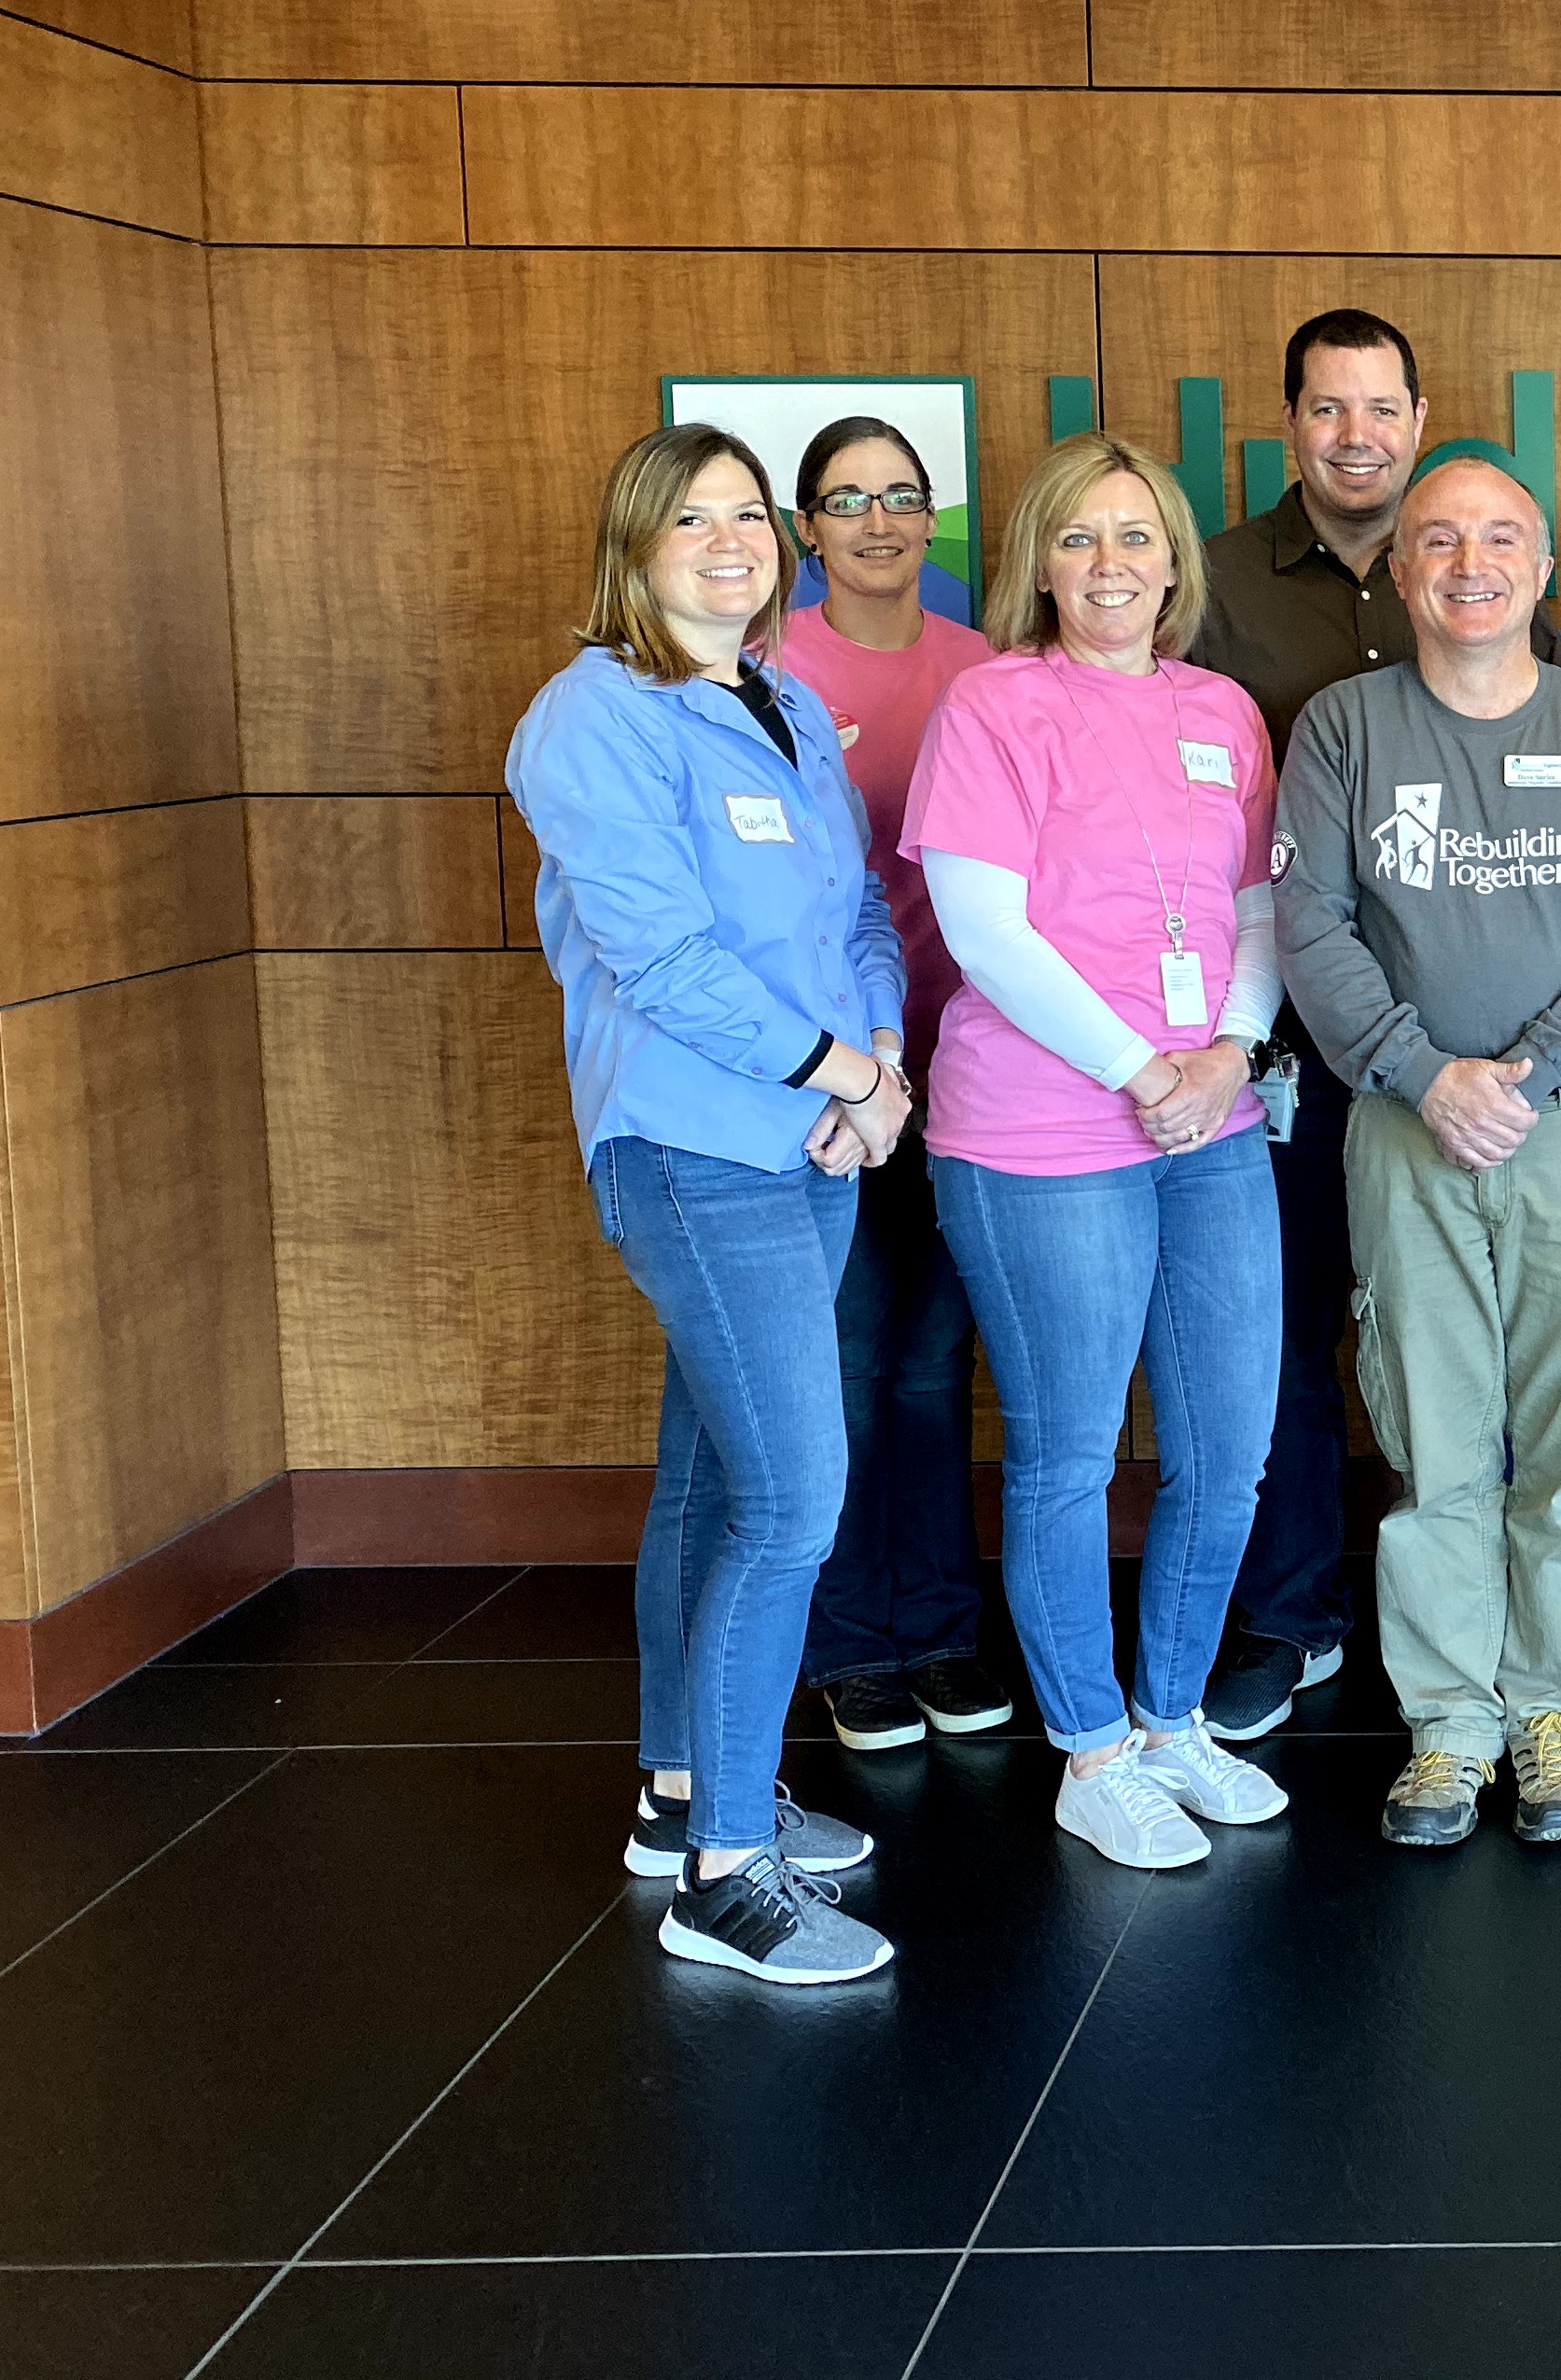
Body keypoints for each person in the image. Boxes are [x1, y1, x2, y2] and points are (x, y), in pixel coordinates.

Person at [507, 424, 905, 1986]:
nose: (732, 540)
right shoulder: (592, 718)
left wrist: (867, 1069)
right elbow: (663, 962)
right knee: (794, 1501)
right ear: (635, 543)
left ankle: (685, 1800)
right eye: (696, 519)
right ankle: (729, 1879)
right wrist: (836, 1073)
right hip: (693, 1144)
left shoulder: (789, 700)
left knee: (706, 1478)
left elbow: (859, 911)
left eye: (750, 515)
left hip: (809, 1136)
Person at [1276, 461, 1561, 1847]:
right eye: (1436, 538)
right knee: (1433, 1430)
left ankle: (1554, 1703)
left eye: (1499, 537)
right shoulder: (1343, 726)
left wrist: (1536, 1072)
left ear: (1545, 564)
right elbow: (1313, 927)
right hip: (1406, 1131)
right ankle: (1449, 1723)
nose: (1469, 561)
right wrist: (1422, 1074)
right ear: (1399, 574)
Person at [911, 433, 1290, 1870]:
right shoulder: (993, 706)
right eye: (1080, 539)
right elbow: (985, 928)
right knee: (1069, 1454)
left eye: (1138, 538)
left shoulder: (1224, 712)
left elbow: (1255, 907)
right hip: (1041, 1132)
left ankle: (1175, 1715)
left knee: (1227, 1449)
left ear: (1177, 562)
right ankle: (1090, 1748)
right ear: (1037, 564)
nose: (1112, 566)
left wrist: (1226, 1055)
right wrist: (1142, 1069)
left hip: (1212, 1120)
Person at [1183, 309, 1554, 1748]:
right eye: (1327, 410)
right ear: (1290, 426)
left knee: (1462, 1335)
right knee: (1280, 1332)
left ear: (1417, 415)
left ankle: (1481, 1619)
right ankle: (1292, 1613)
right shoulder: (1210, 582)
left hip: (1464, 1052)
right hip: (1279, 1036)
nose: (1356, 435)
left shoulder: (1474, 569)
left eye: (1380, 409)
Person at [780, 418, 1012, 1753]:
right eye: (847, 500)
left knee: (934, 1363)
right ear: (809, 529)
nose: (877, 519)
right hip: (831, 1085)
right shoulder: (771, 671)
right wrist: (848, 1066)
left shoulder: (980, 670)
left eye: (902, 497)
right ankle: (850, 1643)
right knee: (852, 1361)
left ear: (935, 520)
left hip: (967, 1068)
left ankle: (935, 1626)